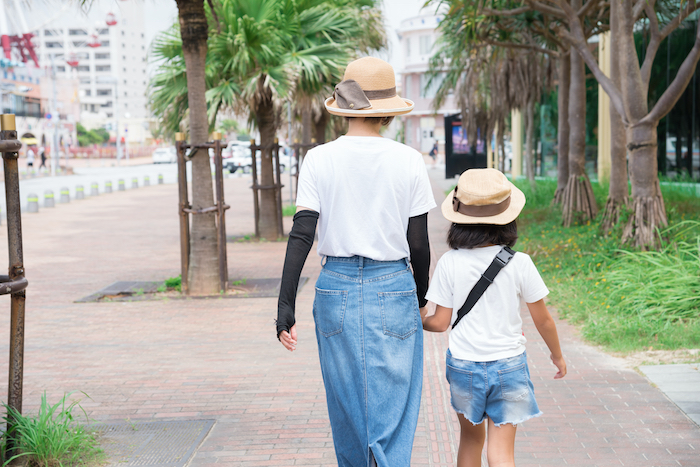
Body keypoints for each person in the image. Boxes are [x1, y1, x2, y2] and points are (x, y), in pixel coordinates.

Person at [276, 56, 436, 467]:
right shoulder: (408, 160)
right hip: (393, 286)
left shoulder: (318, 159)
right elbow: (418, 244)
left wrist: (285, 309)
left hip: (336, 288)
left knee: (347, 412)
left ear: (344, 107)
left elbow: (302, 235)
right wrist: (419, 297)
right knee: (394, 414)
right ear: (386, 110)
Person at [421, 168, 566, 467]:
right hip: (509, 365)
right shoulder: (520, 263)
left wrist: (418, 318)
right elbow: (544, 321)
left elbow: (438, 323)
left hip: (464, 366)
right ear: (508, 217)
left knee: (471, 442)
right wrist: (557, 356)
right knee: (501, 453)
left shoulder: (450, 262)